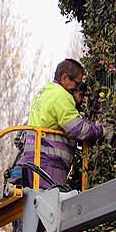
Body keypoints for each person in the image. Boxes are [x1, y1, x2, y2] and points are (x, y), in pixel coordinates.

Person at [16, 58, 108, 190]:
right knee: (52, 204)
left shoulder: (44, 92)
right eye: (77, 83)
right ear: (65, 78)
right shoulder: (62, 96)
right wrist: (102, 131)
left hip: (32, 161)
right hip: (49, 164)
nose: (77, 88)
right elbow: (77, 128)